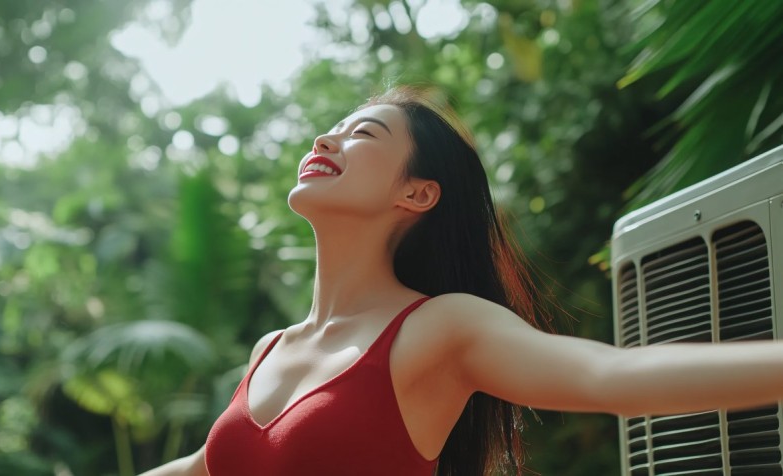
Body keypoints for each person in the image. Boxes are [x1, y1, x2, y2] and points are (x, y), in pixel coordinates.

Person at [140, 85, 783, 476]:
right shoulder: (270, 350)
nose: (326, 139)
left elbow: (606, 377)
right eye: (331, 129)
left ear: (417, 193)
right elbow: (208, 467)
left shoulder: (439, 328)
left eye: (361, 134)